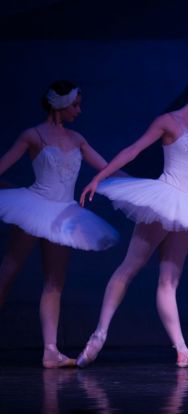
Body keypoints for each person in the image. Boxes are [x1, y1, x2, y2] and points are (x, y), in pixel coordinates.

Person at [76, 80, 188, 367]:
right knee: (129, 267)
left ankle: (181, 348)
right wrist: (100, 177)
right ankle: (99, 335)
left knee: (170, 280)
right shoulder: (169, 122)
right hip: (165, 201)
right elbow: (133, 150)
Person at [0, 80, 119, 367]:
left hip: (64, 214)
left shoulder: (78, 139)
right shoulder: (33, 135)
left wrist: (136, 186)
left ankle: (50, 350)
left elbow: (108, 169)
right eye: (75, 104)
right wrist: (15, 195)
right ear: (60, 104)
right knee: (8, 272)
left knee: (55, 282)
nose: (79, 110)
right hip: (35, 207)